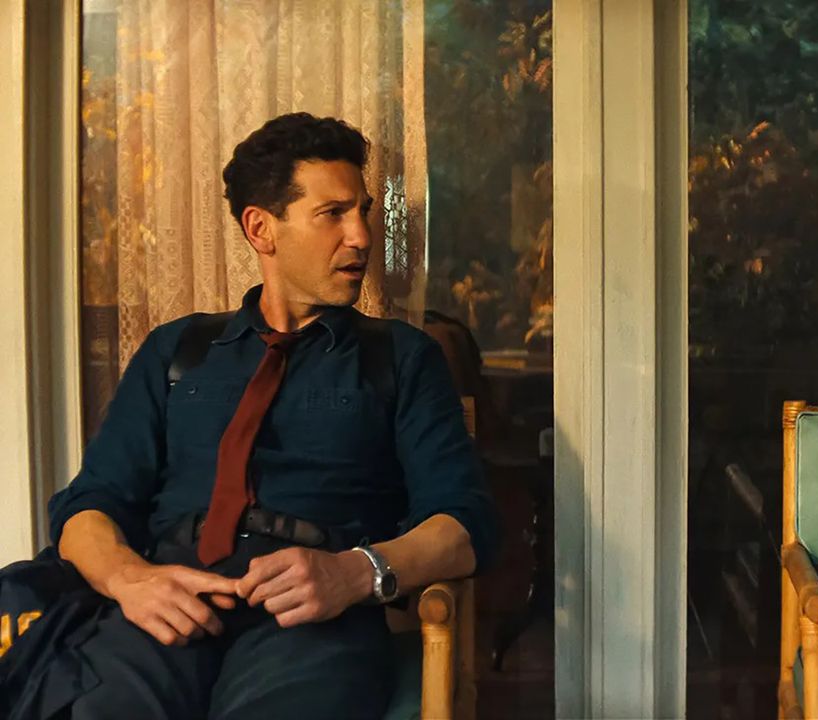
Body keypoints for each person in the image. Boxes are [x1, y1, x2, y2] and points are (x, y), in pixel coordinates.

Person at [43, 112, 498, 719]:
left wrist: (353, 573)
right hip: (169, 605)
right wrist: (130, 578)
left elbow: (464, 524)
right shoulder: (179, 351)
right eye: (333, 213)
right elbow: (88, 505)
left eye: (363, 211)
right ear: (262, 229)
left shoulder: (399, 357)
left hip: (313, 622)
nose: (361, 236)